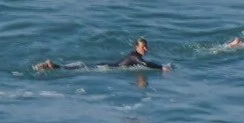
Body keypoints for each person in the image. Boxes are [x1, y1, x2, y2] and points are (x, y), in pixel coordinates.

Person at [35, 38, 167, 72]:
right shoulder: (135, 57)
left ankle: (53, 66)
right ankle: (52, 66)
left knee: (79, 66)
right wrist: (161, 67)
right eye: (142, 46)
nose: (145, 48)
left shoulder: (134, 55)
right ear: (136, 47)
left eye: (146, 46)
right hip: (106, 67)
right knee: (78, 68)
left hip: (107, 64)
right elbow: (144, 64)